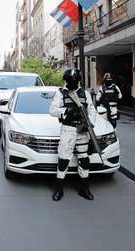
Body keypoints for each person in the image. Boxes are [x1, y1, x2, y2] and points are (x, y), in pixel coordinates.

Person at [49, 68, 97, 201]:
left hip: (82, 130)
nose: (72, 83)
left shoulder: (85, 94)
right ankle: (59, 189)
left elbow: (92, 110)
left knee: (84, 159)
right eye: (70, 81)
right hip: (68, 129)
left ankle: (84, 188)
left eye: (74, 81)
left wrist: (90, 124)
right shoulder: (60, 93)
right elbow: (52, 110)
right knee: (64, 158)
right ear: (66, 80)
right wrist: (66, 111)